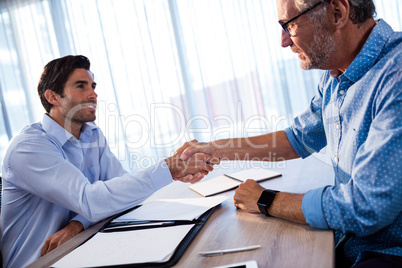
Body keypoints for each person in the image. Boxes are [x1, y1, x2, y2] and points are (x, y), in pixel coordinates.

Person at [180, 0, 401, 267]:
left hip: (388, 251)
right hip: (351, 242)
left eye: (289, 25)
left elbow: (365, 206)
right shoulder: (336, 75)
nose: (284, 41)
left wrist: (266, 200)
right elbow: (298, 138)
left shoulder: (395, 76)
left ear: (337, 13)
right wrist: (216, 149)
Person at [0, 55, 213, 268]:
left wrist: (78, 223)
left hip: (81, 245)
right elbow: (91, 201)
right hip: (39, 262)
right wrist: (169, 169)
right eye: (81, 86)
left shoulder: (91, 134)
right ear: (53, 97)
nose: (93, 94)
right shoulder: (28, 148)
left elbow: (121, 193)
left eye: (92, 86)